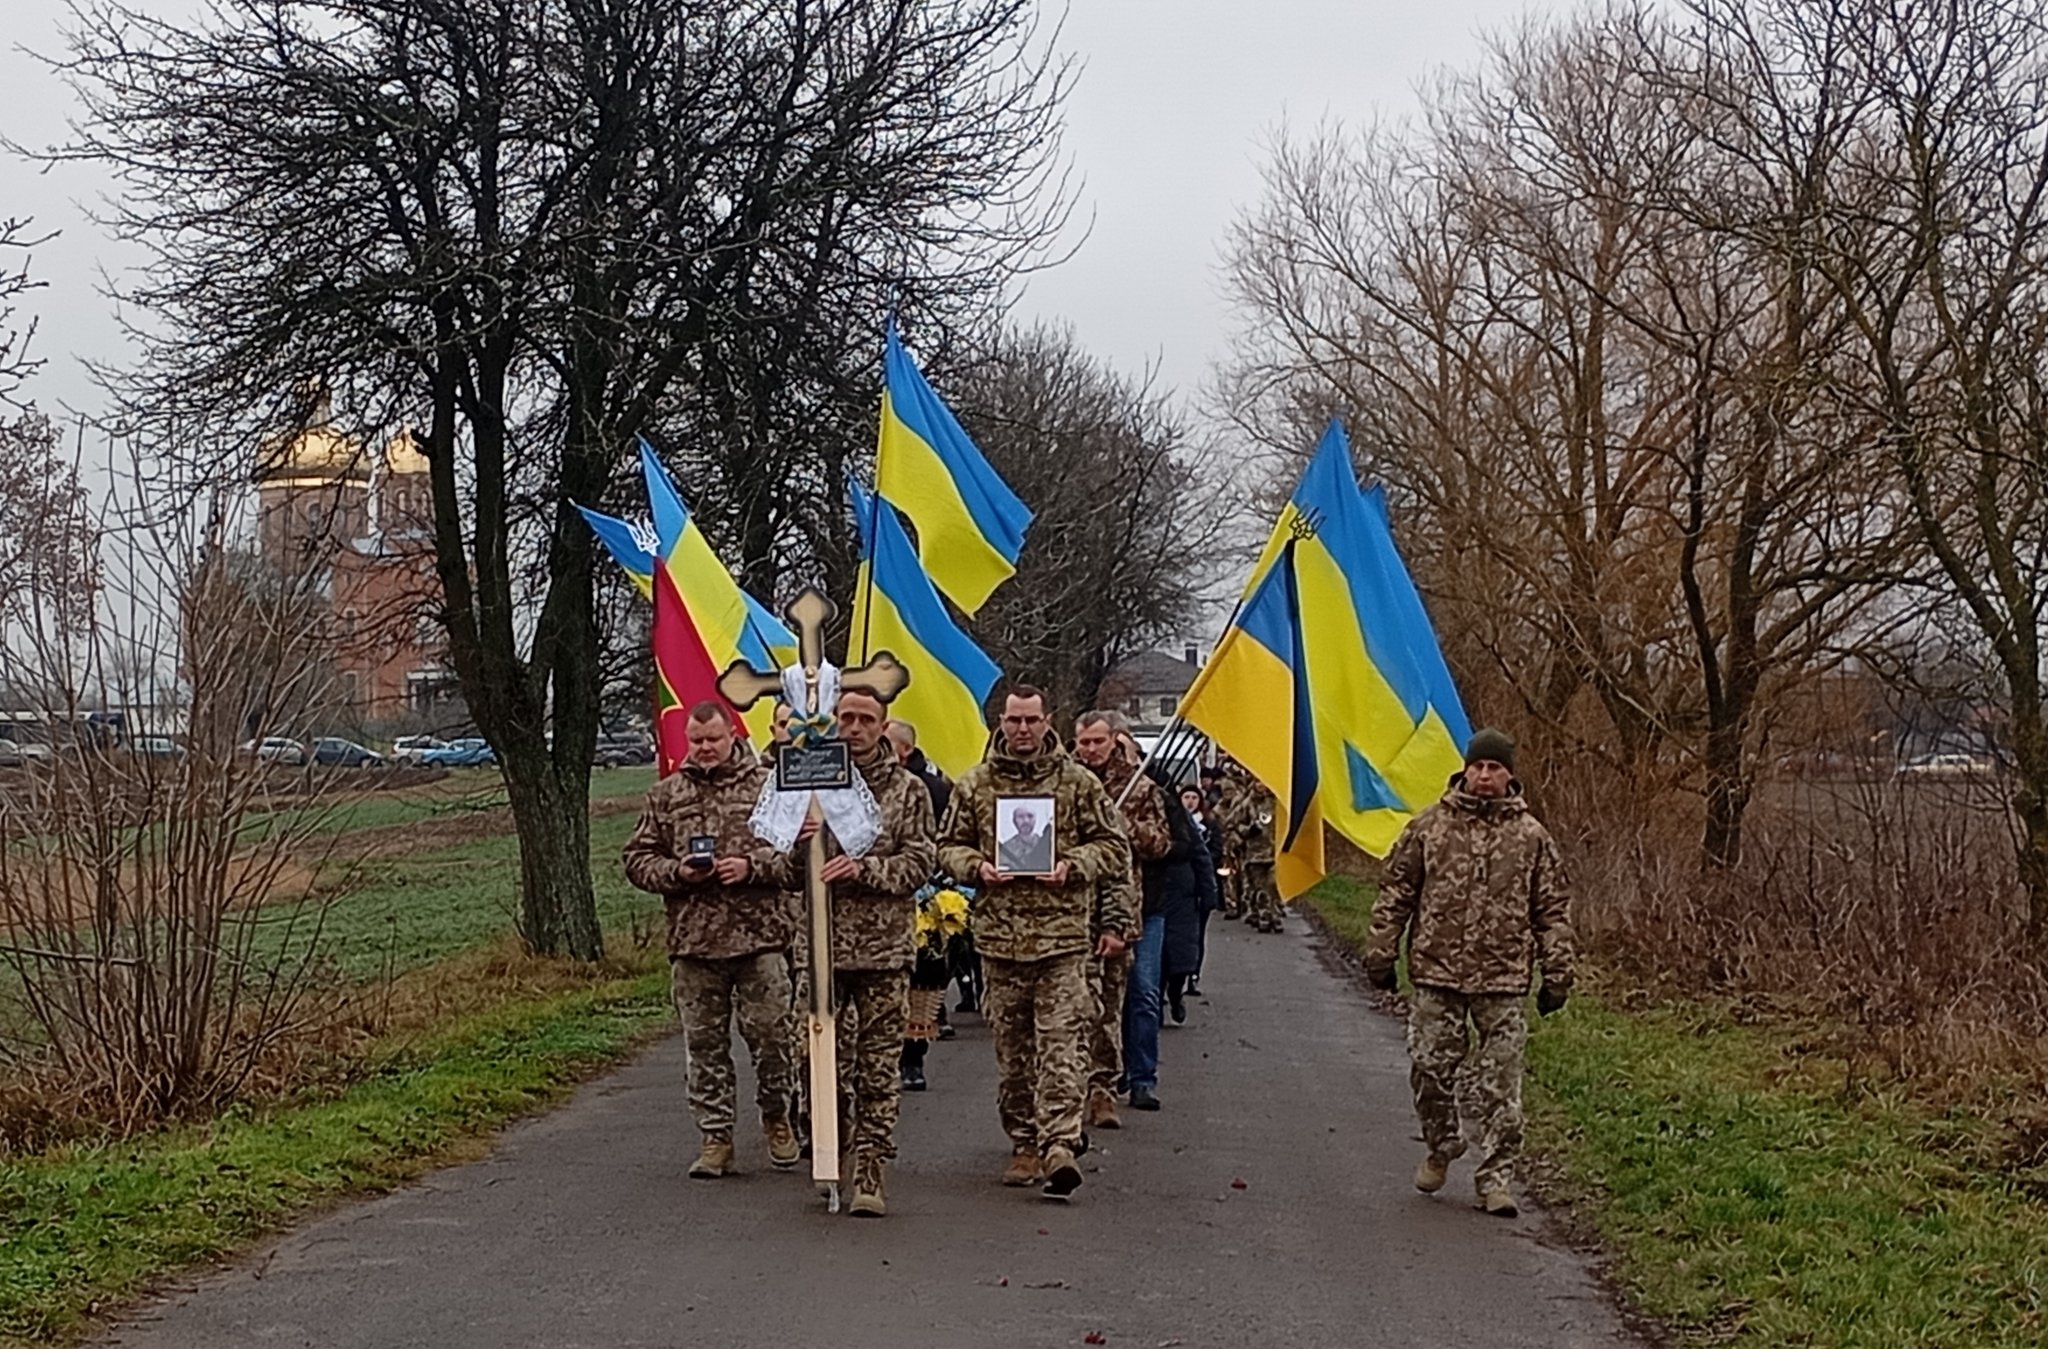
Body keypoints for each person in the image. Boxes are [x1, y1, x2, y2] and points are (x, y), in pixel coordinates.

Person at [1363, 728, 1575, 1218]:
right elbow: (1396, 893)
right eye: (1478, 766)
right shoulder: (1430, 828)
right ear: (1465, 769)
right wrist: (1380, 952)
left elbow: (1552, 911)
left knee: (1501, 1083)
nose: (1484, 776)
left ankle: (1496, 1179)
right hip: (1438, 975)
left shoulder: (1532, 838)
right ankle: (1442, 1144)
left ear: (1509, 776)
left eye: (1494, 768)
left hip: (1503, 980)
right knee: (1430, 1071)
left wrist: (1558, 973)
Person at [938, 685, 1131, 1198]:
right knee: (1015, 1053)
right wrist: (975, 866)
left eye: (1032, 720)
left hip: (1063, 940)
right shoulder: (975, 786)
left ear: (1049, 722)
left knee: (1062, 1047)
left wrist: (1074, 865)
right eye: (1014, 720)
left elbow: (1115, 847)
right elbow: (946, 847)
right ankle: (1023, 1142)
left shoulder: (1078, 783)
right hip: (1000, 945)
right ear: (1001, 723)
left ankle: (1060, 1145)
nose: (1023, 730)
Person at [757, 687, 935, 1217]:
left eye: (865, 719)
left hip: (882, 952)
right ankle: (831, 1153)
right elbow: (774, 867)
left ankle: (872, 1173)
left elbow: (921, 862)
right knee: (817, 1065)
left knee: (878, 1069)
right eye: (845, 717)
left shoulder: (906, 790)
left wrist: (867, 870)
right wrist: (798, 843)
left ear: (883, 727)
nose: (854, 727)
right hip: (819, 952)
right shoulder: (806, 781)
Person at [623, 701, 799, 1179]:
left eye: (712, 740)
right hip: (695, 942)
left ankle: (778, 1118)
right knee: (704, 1045)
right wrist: (676, 872)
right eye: (695, 741)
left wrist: (751, 866)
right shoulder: (666, 796)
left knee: (772, 1038)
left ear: (732, 735)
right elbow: (637, 859)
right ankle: (715, 1136)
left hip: (760, 937)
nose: (703, 749)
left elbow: (795, 859)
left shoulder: (767, 786)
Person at [1072, 712, 1168, 1127]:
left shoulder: (1141, 786)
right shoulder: (1066, 784)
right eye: (1084, 742)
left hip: (1120, 909)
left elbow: (1161, 842)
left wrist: (1121, 824)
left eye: (1098, 741)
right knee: (1075, 1008)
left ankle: (1106, 1089)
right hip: (1071, 910)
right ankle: (1071, 1091)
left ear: (1113, 740)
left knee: (1114, 1006)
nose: (1090, 750)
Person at [887, 717, 957, 1092]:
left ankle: (913, 1057)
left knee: (923, 983)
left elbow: (944, 842)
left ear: (906, 750)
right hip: (872, 913)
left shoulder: (932, 789)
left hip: (926, 898)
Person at [1179, 784, 1224, 999]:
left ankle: (1193, 977)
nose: (1189, 801)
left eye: (1193, 797)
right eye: (1186, 797)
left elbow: (1216, 849)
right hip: (1180, 890)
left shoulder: (1210, 825)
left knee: (1198, 935)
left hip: (1201, 885)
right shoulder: (1174, 823)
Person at [1227, 775, 1285, 933]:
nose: (1261, 786)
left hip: (1275, 853)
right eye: (1258, 782)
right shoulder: (1248, 804)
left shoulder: (1276, 803)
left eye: (1264, 782)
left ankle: (1275, 915)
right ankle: (1264, 916)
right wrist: (1247, 831)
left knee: (1273, 885)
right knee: (1260, 888)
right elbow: (1231, 823)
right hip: (1255, 854)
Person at [998, 803, 1055, 875]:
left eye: (1030, 816)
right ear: (1014, 820)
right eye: (1020, 817)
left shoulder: (1046, 845)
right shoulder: (1005, 848)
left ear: (1035, 819)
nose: (1026, 821)